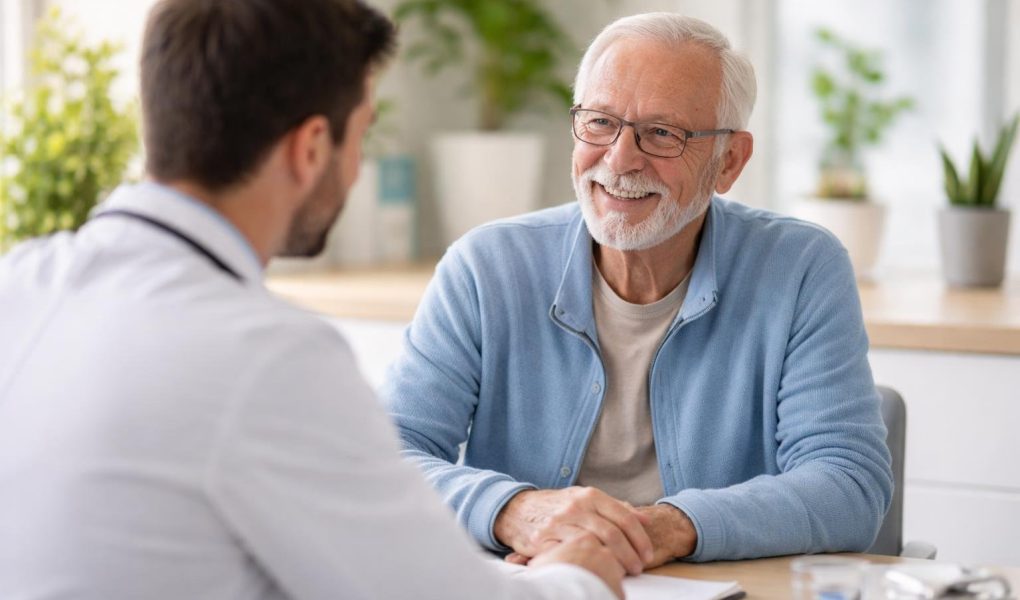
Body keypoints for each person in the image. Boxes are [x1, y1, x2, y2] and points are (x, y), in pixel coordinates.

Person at [0, 1, 627, 599]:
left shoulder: (22, 283)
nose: (356, 169)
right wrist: (582, 578)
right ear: (308, 149)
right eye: (361, 136)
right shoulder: (267, 357)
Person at [383, 12, 893, 572]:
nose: (620, 160)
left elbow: (848, 485)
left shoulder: (801, 269)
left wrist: (662, 529)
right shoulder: (485, 268)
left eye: (662, 133)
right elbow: (385, 459)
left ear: (729, 161)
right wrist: (515, 511)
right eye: (600, 122)